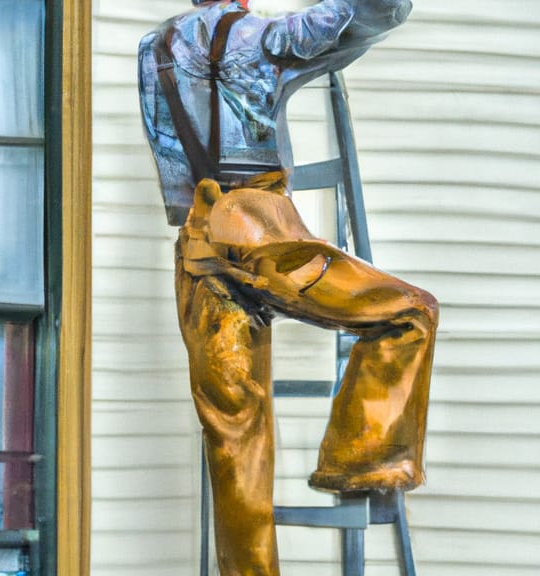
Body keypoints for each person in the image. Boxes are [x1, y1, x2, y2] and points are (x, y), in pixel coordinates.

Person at [138, 1, 437, 573]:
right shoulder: (260, 36)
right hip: (262, 234)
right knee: (410, 313)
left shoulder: (152, 51)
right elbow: (364, 15)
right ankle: (360, 459)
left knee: (234, 440)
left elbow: (176, 171)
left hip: (198, 249)